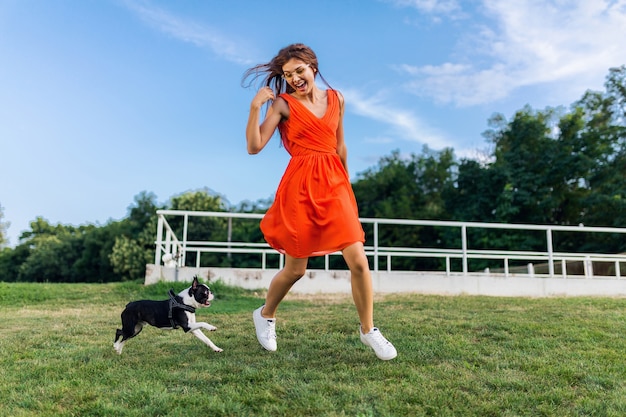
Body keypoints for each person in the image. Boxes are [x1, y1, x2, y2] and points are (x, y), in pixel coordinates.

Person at [243, 43, 397, 360]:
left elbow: (340, 146)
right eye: (288, 74)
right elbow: (255, 147)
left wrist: (347, 187)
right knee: (296, 269)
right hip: (300, 187)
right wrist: (255, 108)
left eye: (299, 70)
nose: (295, 78)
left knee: (358, 260)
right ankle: (266, 314)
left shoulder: (337, 99)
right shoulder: (283, 104)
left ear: (313, 66)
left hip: (335, 184)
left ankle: (369, 330)